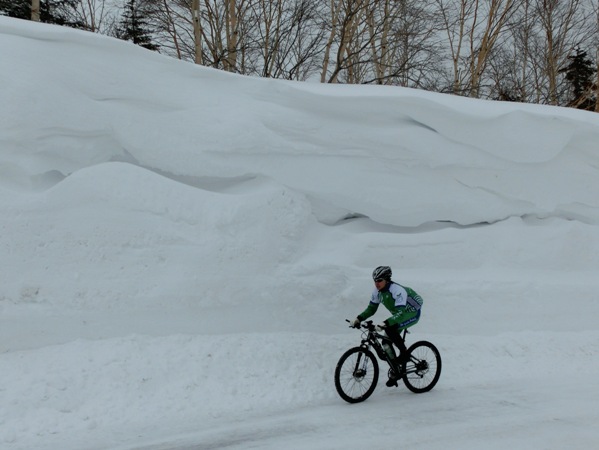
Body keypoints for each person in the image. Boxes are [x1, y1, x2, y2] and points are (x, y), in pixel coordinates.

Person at [351, 266, 424, 387]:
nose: (376, 283)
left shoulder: (397, 290)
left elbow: (401, 314)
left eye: (379, 280)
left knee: (389, 329)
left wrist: (385, 323)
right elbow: (371, 309)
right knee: (385, 343)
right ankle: (396, 370)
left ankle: (404, 354)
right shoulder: (377, 292)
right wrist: (359, 318)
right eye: (375, 280)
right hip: (399, 315)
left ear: (387, 280)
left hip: (412, 313)